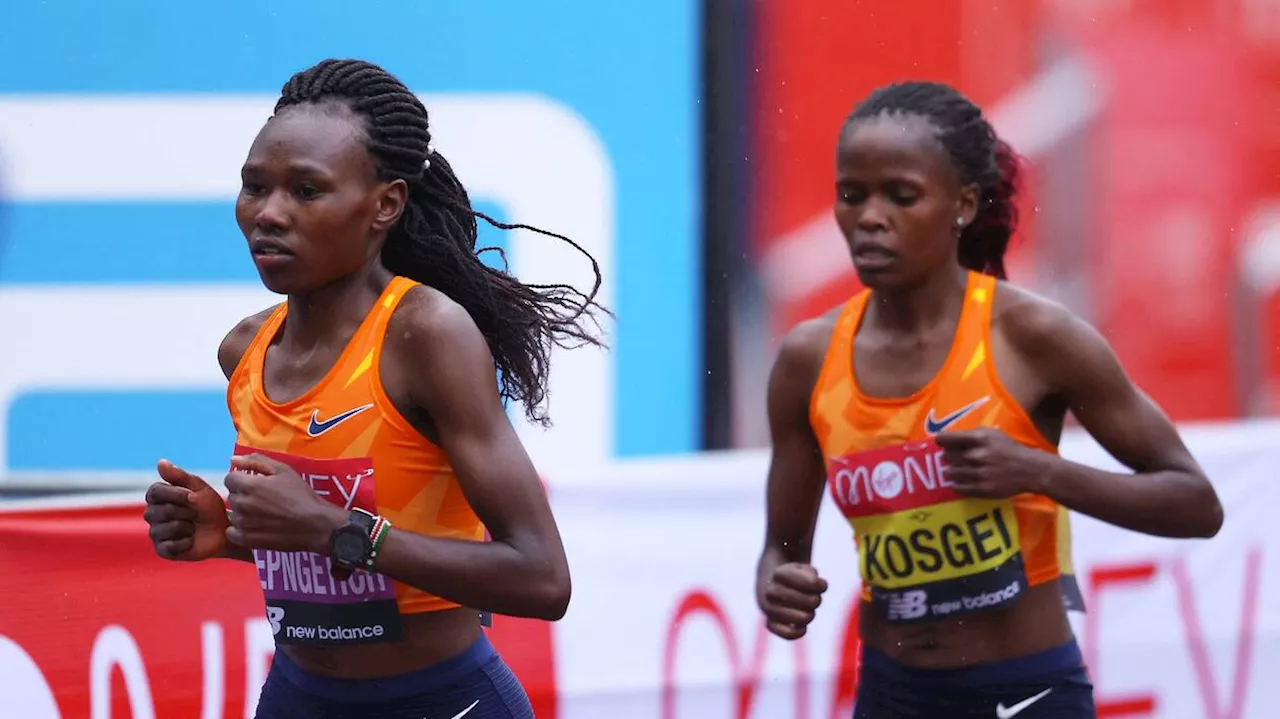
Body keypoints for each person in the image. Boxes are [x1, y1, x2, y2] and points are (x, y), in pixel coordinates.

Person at [142, 58, 606, 719]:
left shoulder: (428, 336)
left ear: (384, 204)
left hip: (443, 701)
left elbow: (542, 578)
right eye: (255, 187)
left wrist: (336, 529)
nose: (268, 214)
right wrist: (233, 534)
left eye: (306, 190)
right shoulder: (244, 350)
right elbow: (327, 552)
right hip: (299, 697)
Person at [754, 81, 1224, 719]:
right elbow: (782, 551)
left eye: (901, 195)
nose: (868, 217)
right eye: (850, 194)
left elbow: (1196, 503)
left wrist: (1039, 471)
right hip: (893, 696)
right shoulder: (807, 360)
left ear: (963, 205)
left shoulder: (1034, 337)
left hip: (1027, 693)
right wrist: (778, 588)